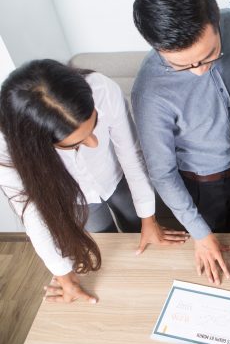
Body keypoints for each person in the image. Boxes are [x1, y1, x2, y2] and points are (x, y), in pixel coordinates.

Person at [0, 60, 189, 303]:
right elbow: (33, 215)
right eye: (76, 144)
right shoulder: (7, 153)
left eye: (94, 125)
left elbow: (132, 156)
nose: (94, 143)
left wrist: (149, 220)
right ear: (40, 147)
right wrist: (65, 278)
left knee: (141, 228)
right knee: (104, 245)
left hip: (118, 176)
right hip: (74, 197)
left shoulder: (101, 89)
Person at [132, 0, 230, 285]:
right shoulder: (150, 92)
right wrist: (201, 234)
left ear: (216, 18)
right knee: (216, 257)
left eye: (210, 55)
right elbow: (162, 174)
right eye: (182, 65)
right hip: (203, 185)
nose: (199, 69)